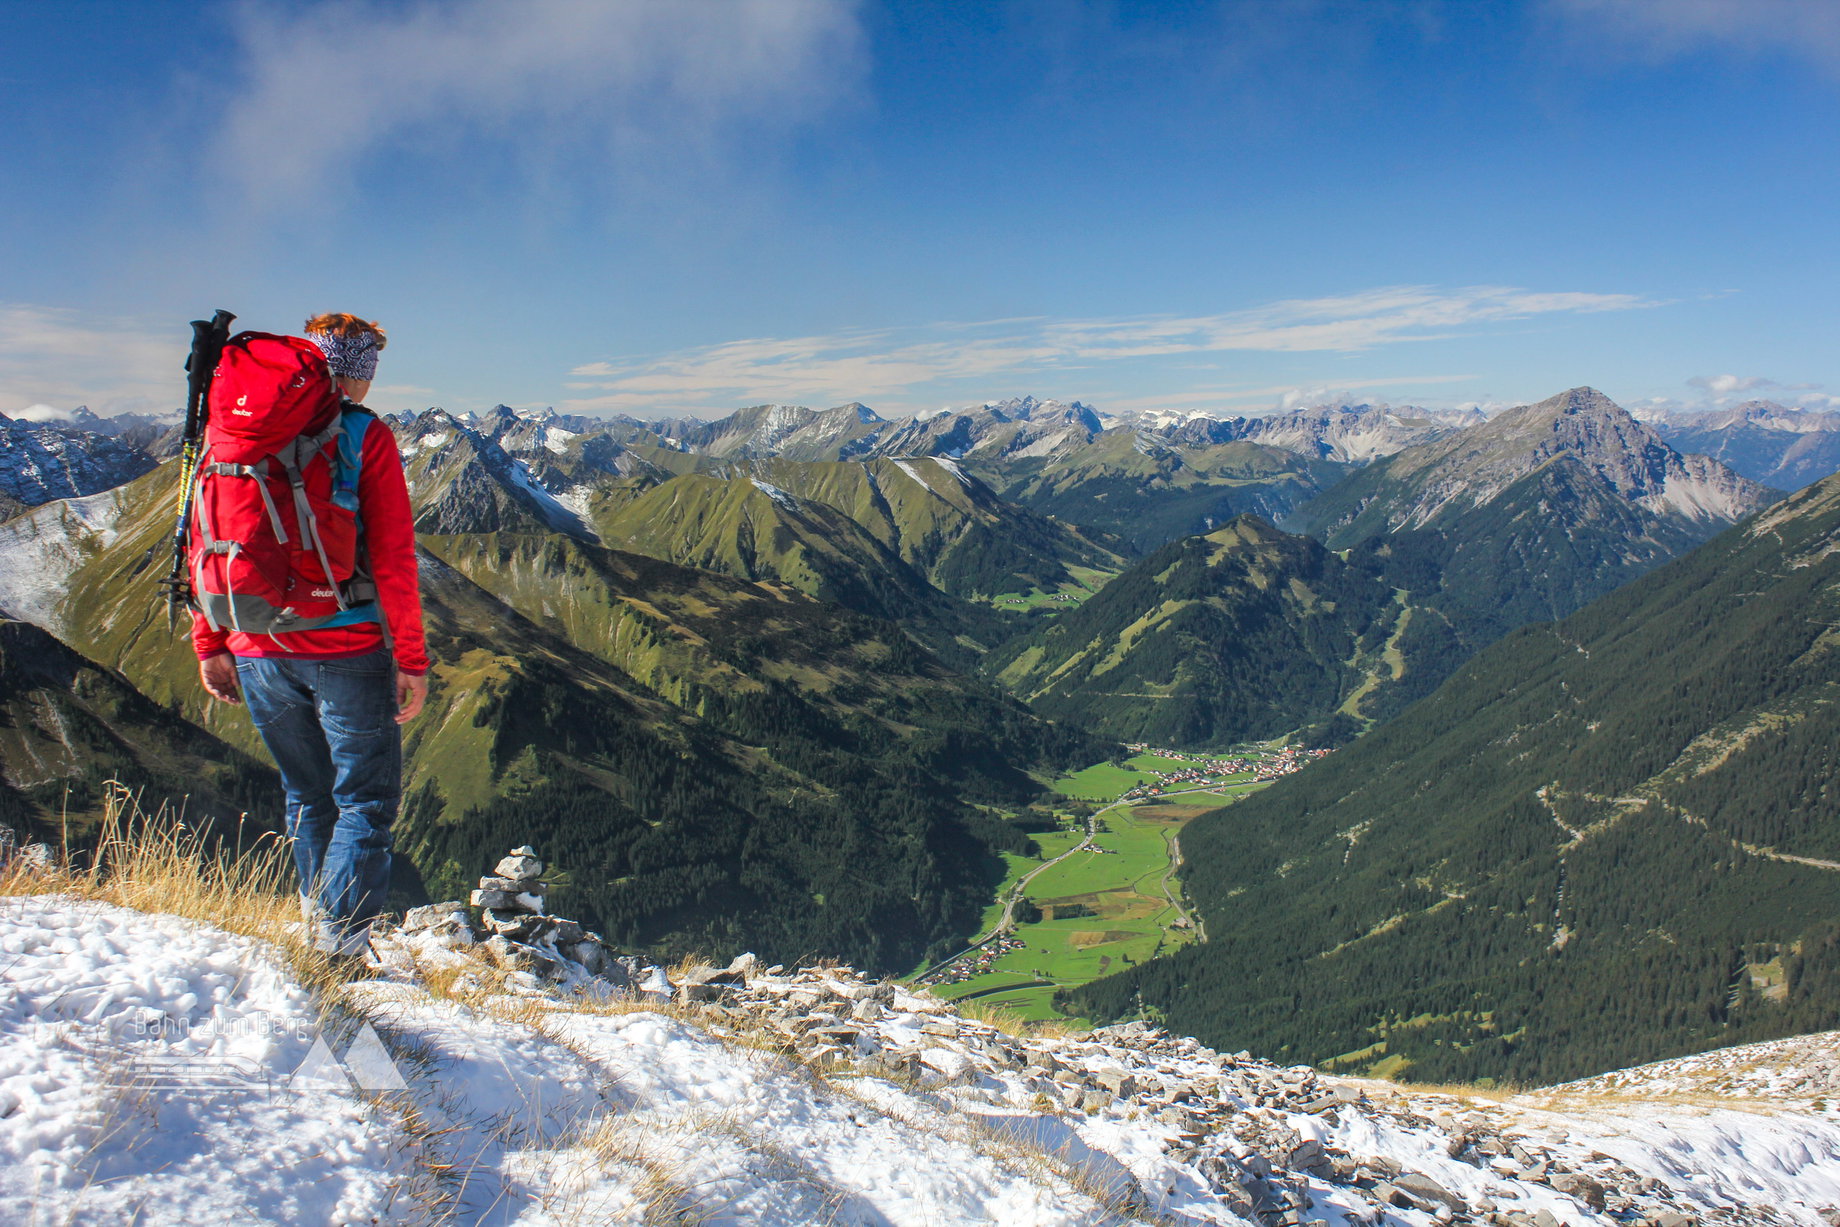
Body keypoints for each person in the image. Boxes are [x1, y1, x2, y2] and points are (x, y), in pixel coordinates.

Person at [194, 312, 429, 959]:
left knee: (307, 792)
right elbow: (393, 558)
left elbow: (202, 537)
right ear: (358, 372)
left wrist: (210, 639)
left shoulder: (231, 430)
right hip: (346, 648)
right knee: (365, 802)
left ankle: (315, 930)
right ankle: (338, 956)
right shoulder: (362, 434)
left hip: (256, 646)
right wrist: (411, 657)